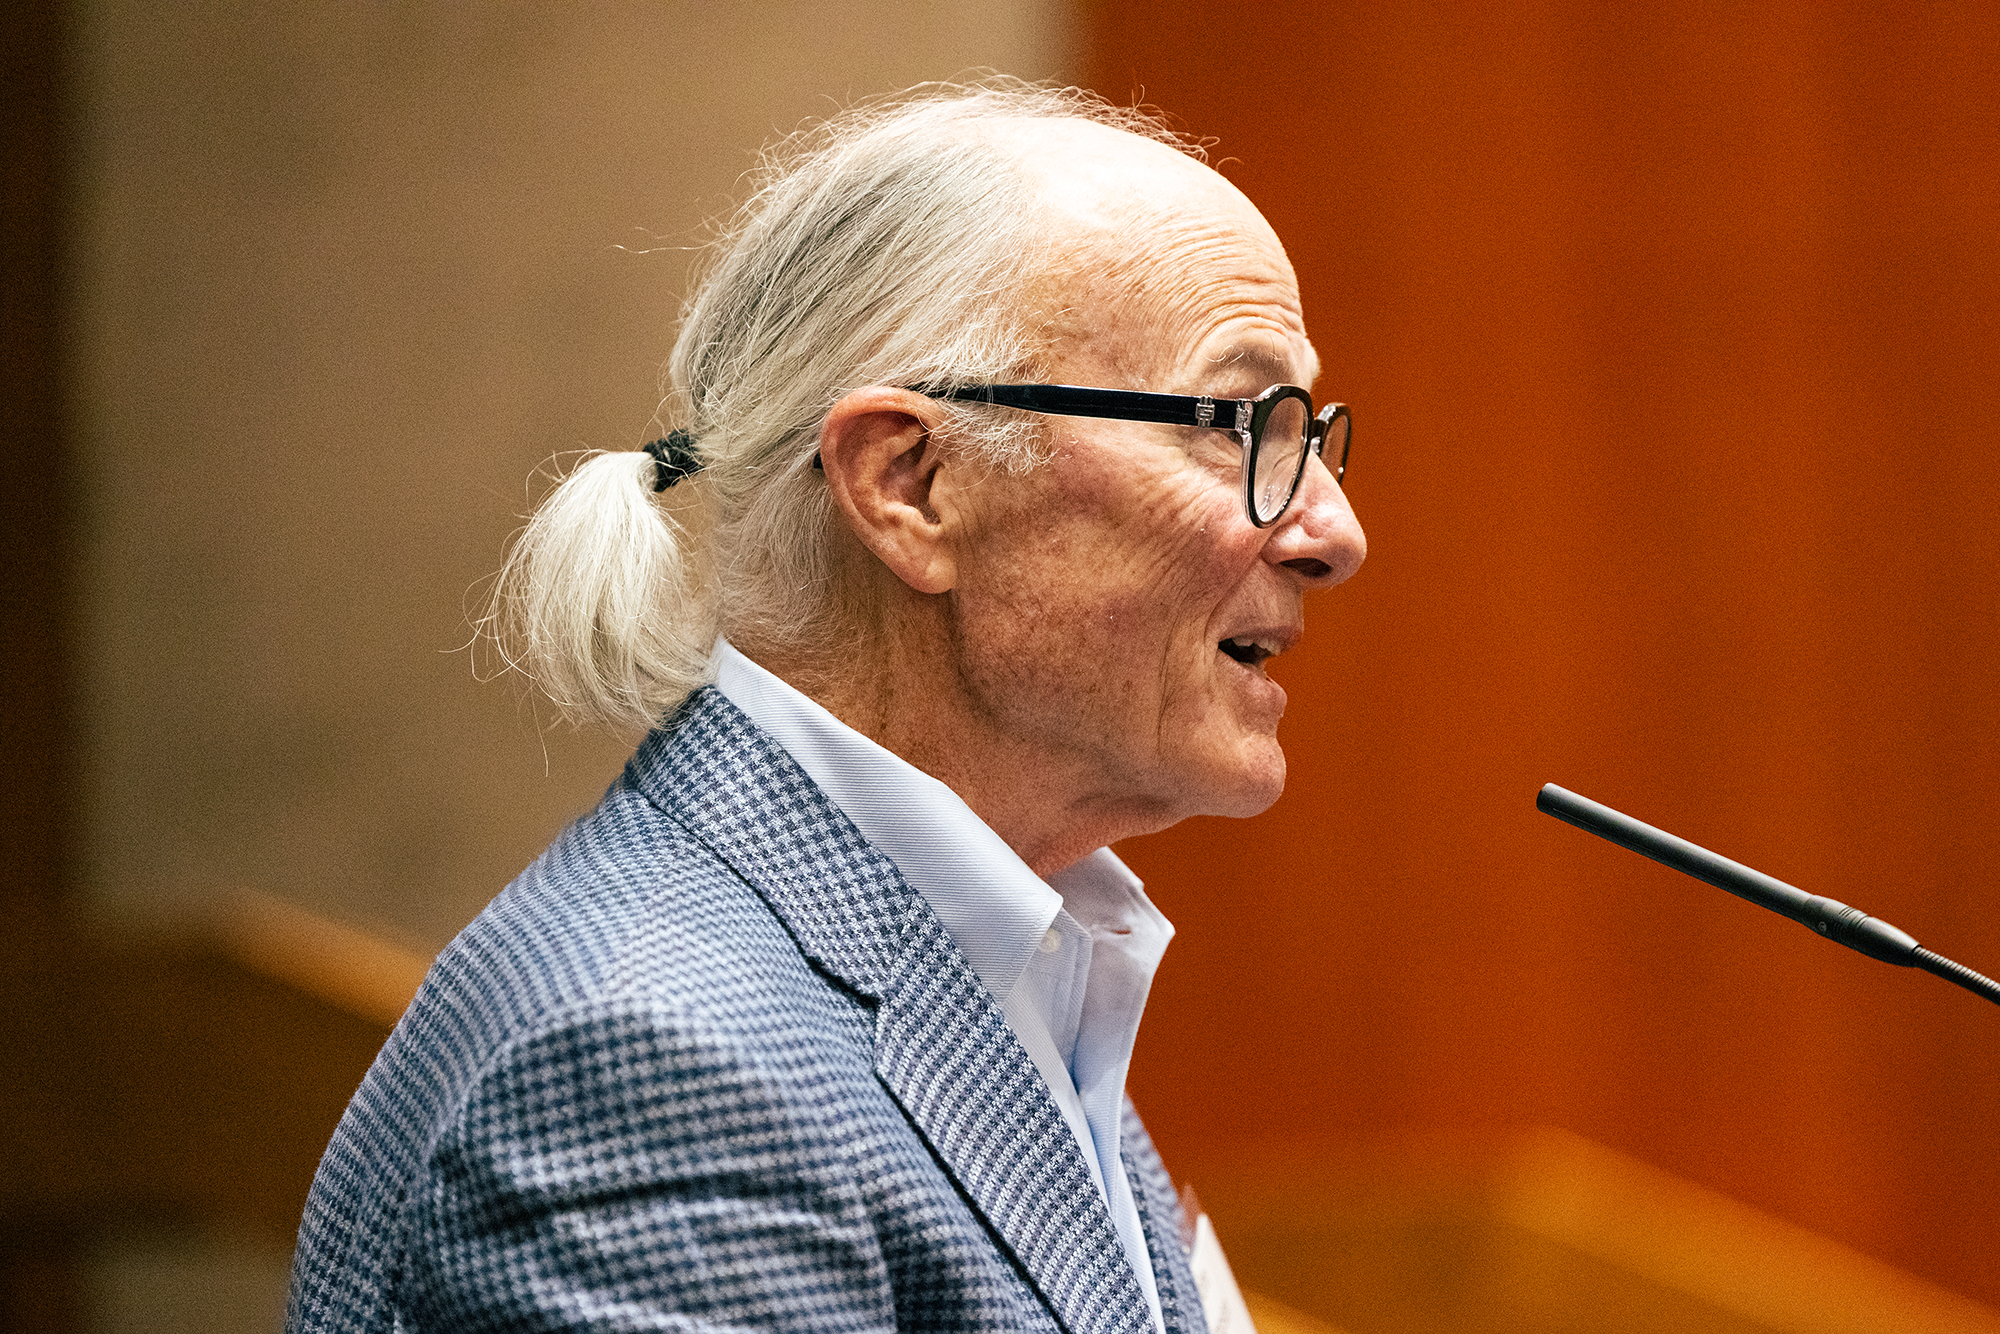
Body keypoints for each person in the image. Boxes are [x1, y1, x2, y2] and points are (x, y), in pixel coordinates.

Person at [286, 80, 1365, 1333]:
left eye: (1311, 435)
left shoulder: (1013, 949)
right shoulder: (658, 1068)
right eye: (1239, 423)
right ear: (911, 483)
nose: (1333, 532)